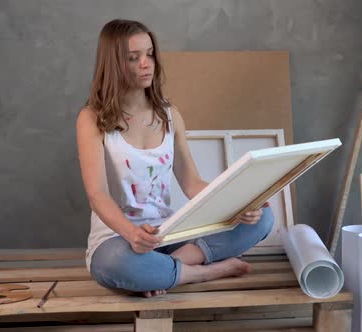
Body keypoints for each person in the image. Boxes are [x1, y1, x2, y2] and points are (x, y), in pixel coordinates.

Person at [76, 19, 274, 298]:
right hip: (119, 240)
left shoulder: (169, 114)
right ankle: (205, 271)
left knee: (263, 218)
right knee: (116, 265)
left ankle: (168, 271)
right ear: (113, 64)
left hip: (169, 235)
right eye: (134, 58)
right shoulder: (91, 119)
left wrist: (238, 203)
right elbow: (97, 195)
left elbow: (192, 183)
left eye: (150, 54)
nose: (146, 63)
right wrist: (133, 234)